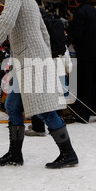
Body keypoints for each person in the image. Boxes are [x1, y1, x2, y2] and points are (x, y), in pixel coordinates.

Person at [0, 0, 78, 169]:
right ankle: (15, 155)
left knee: (44, 110)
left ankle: (68, 154)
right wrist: (43, 54)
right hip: (30, 59)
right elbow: (44, 33)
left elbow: (6, 21)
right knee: (12, 106)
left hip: (30, 60)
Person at [25, 7, 69, 137]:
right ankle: (58, 124)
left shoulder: (37, 24)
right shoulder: (56, 22)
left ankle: (38, 127)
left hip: (42, 60)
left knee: (38, 95)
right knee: (55, 95)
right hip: (57, 61)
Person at [67, 0, 96, 123]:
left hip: (86, 54)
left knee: (85, 85)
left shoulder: (80, 13)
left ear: (77, 0)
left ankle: (83, 115)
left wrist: (70, 33)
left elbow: (78, 34)